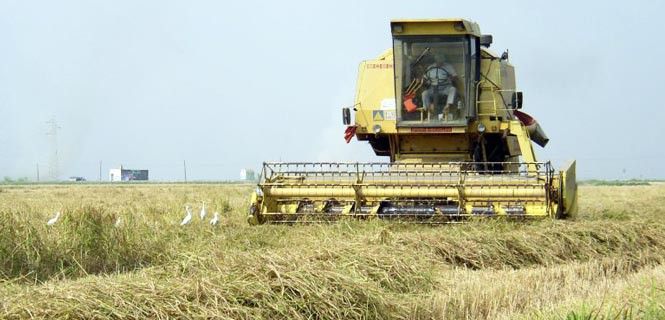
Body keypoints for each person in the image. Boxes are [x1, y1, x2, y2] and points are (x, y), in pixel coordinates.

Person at [421, 54, 458, 120]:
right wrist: (423, 81)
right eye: (438, 60)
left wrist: (451, 77)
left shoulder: (448, 67)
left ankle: (447, 106)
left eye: (441, 60)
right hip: (433, 88)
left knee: (453, 89)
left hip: (445, 87)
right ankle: (429, 112)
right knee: (424, 93)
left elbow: (455, 77)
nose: (439, 62)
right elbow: (425, 78)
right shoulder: (430, 67)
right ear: (435, 60)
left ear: (443, 60)